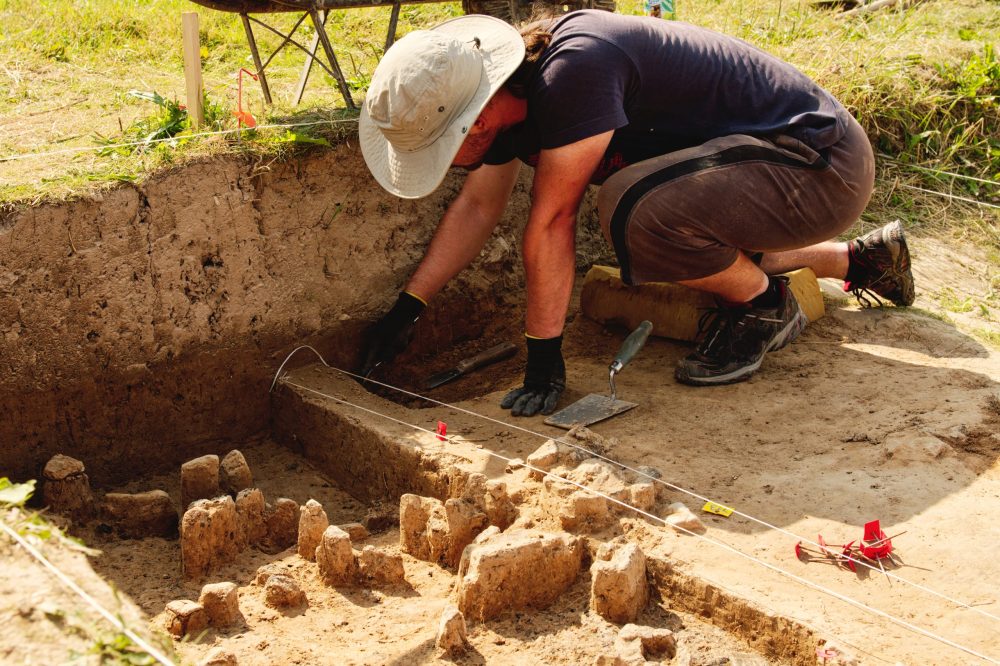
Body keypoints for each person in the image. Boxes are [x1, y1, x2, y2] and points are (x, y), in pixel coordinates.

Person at [356, 11, 914, 417]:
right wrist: (410, 306)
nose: (444, 164)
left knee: (631, 209)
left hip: (818, 164)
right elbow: (479, 206)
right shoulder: (509, 105)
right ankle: (860, 263)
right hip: (765, 175)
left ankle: (765, 305)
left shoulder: (572, 73)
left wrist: (544, 355)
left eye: (438, 149)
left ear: (471, 123)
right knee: (664, 217)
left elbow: (552, 221)